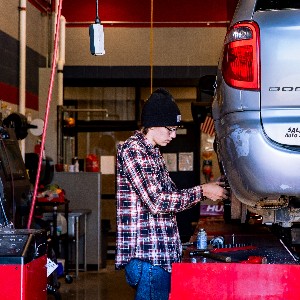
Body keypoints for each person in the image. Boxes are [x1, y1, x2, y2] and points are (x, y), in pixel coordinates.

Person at [115, 88, 228, 300]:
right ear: (153, 124)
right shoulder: (134, 150)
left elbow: (170, 196)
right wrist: (203, 191)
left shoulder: (152, 152)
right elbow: (157, 202)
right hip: (149, 259)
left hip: (159, 256)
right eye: (170, 129)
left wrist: (210, 186)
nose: (174, 135)